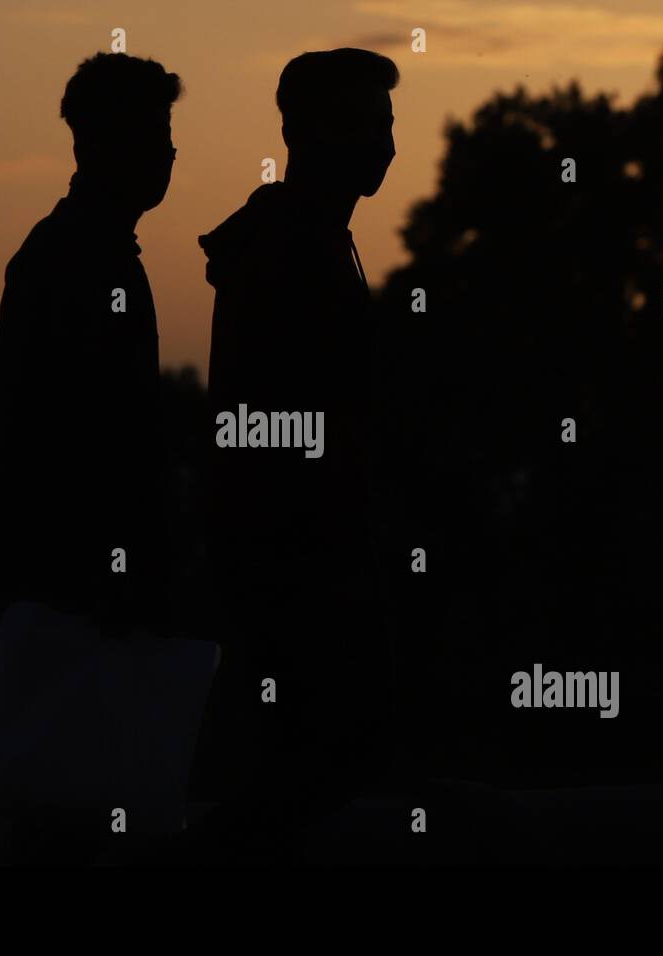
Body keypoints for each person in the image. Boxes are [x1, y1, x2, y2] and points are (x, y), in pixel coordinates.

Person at [188, 48, 400, 861]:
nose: (384, 146)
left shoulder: (310, 242)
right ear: (308, 131)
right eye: (368, 124)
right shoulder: (292, 252)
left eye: (387, 126)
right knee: (307, 788)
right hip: (299, 578)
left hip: (306, 570)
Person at [0, 52, 183, 641]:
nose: (167, 154)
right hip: (77, 600)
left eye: (166, 135)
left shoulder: (87, 250)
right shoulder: (72, 258)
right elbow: (64, 439)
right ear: (95, 144)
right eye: (151, 134)